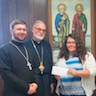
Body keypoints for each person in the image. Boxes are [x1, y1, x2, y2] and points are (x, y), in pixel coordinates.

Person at [0, 19, 38, 96]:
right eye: (19, 29)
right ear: (11, 30)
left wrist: (35, 83)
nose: (22, 32)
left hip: (31, 91)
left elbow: (35, 68)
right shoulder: (4, 49)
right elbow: (6, 74)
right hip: (13, 92)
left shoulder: (29, 48)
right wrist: (26, 87)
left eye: (24, 30)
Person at [25, 20, 54, 96]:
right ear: (32, 29)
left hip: (47, 80)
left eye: (44, 30)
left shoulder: (47, 45)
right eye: (39, 29)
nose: (41, 32)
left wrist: (51, 82)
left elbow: (50, 63)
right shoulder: (25, 45)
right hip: (33, 81)